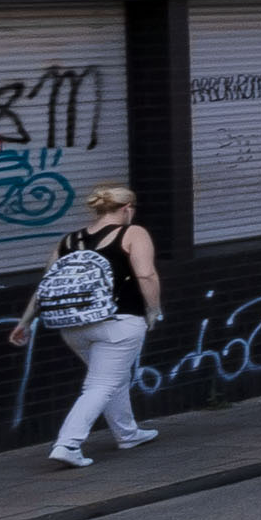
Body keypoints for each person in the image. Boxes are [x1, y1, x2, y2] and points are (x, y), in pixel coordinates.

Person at [16, 183, 166, 466]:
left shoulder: (69, 240)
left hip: (74, 327)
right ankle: (68, 444)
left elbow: (47, 285)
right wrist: (154, 310)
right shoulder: (132, 233)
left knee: (113, 378)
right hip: (118, 322)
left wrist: (25, 322)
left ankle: (128, 434)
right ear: (126, 208)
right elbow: (146, 275)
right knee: (101, 384)